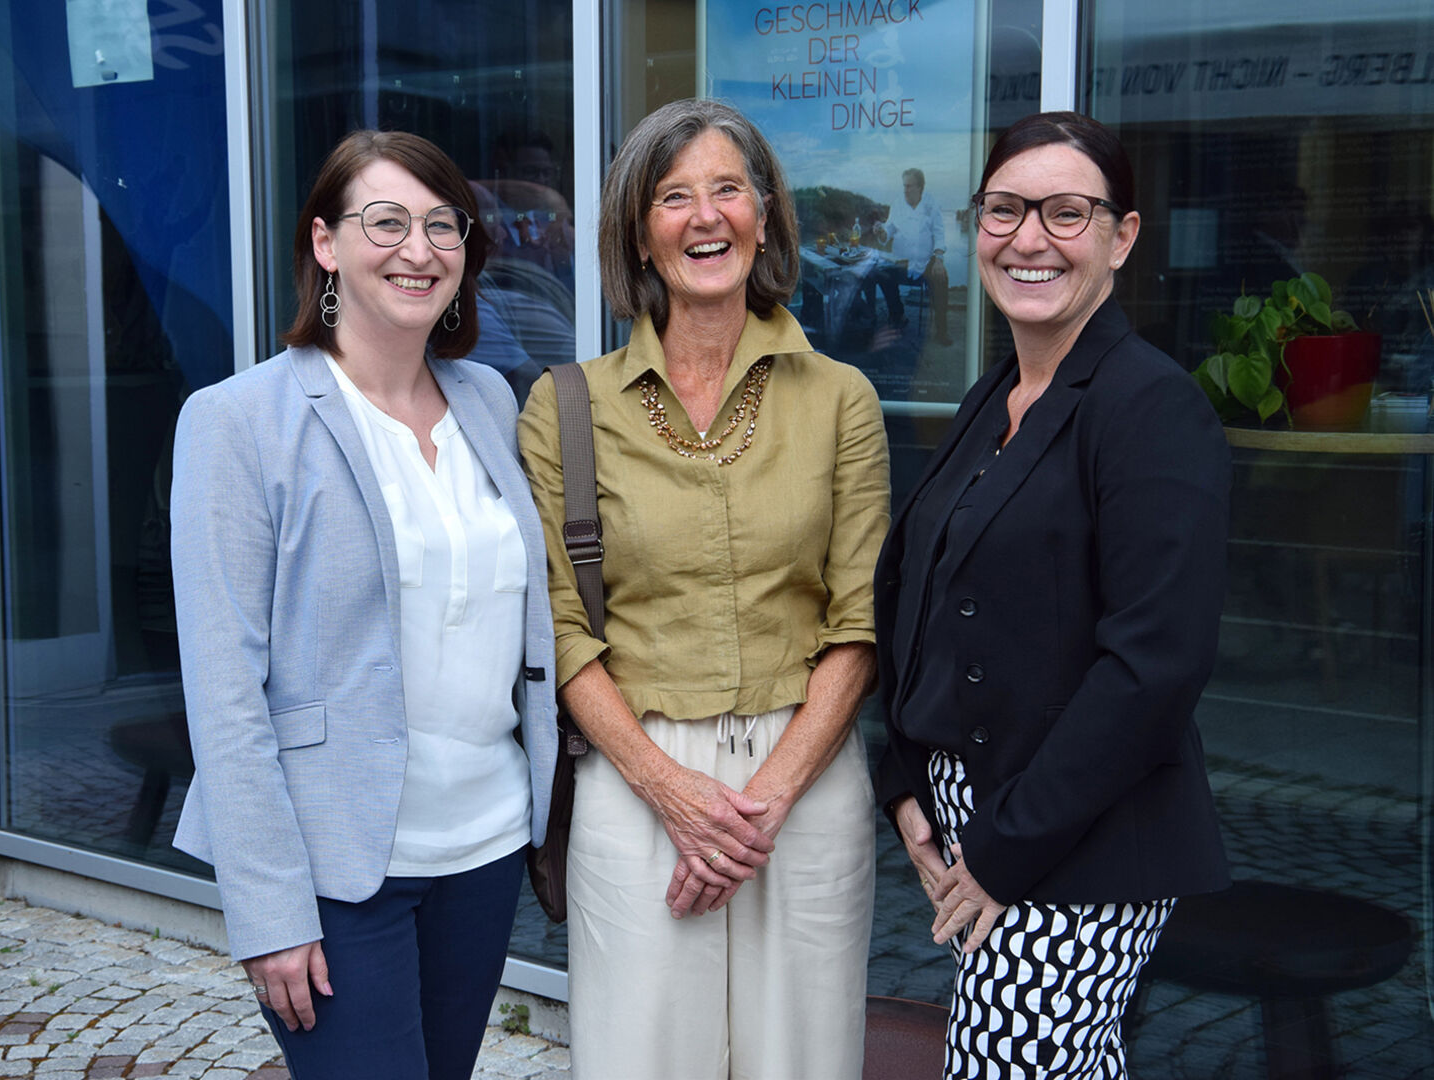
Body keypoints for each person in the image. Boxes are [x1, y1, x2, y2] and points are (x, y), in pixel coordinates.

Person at [169, 129, 558, 1080]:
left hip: (484, 846)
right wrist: (269, 912)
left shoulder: (489, 401)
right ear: (325, 242)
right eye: (385, 222)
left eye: (441, 225)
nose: (417, 249)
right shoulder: (237, 420)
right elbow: (224, 691)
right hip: (337, 865)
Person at [519, 99, 890, 1080]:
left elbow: (858, 621)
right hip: (634, 776)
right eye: (673, 197)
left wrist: (762, 803)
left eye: (728, 189)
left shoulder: (840, 399)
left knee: (802, 1062)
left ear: (763, 218)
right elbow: (559, 627)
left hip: (803, 777)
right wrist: (670, 791)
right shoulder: (567, 407)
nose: (705, 216)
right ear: (639, 234)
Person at [873, 111, 1230, 1077]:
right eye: (1003, 210)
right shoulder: (993, 395)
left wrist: (1002, 848)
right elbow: (920, 600)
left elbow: (1154, 666)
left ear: (1121, 236)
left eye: (1065, 213)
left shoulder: (1151, 407)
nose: (1027, 239)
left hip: (1078, 835)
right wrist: (904, 782)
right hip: (974, 818)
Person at [886, 168, 953, 344]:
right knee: (881, 275)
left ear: (920, 187)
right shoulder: (897, 204)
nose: (905, 190)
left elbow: (939, 234)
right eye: (904, 186)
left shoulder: (931, 205)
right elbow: (888, 230)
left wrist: (938, 260)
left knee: (941, 279)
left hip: (926, 263)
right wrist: (881, 232)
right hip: (900, 262)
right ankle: (898, 316)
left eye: (909, 186)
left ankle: (941, 330)